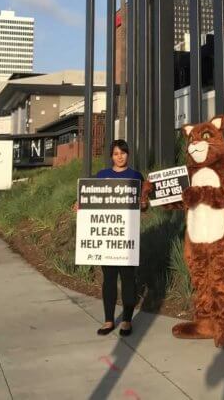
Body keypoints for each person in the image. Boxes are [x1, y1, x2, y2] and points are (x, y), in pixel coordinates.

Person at [95, 139, 143, 337]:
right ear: (111, 156)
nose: (120, 156)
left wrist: (145, 203)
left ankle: (126, 321)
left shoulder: (136, 176)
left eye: (123, 153)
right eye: (116, 153)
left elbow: (145, 201)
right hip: (108, 236)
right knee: (109, 279)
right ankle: (108, 320)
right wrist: (80, 205)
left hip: (128, 236)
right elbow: (92, 199)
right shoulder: (102, 176)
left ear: (128, 154)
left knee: (128, 278)